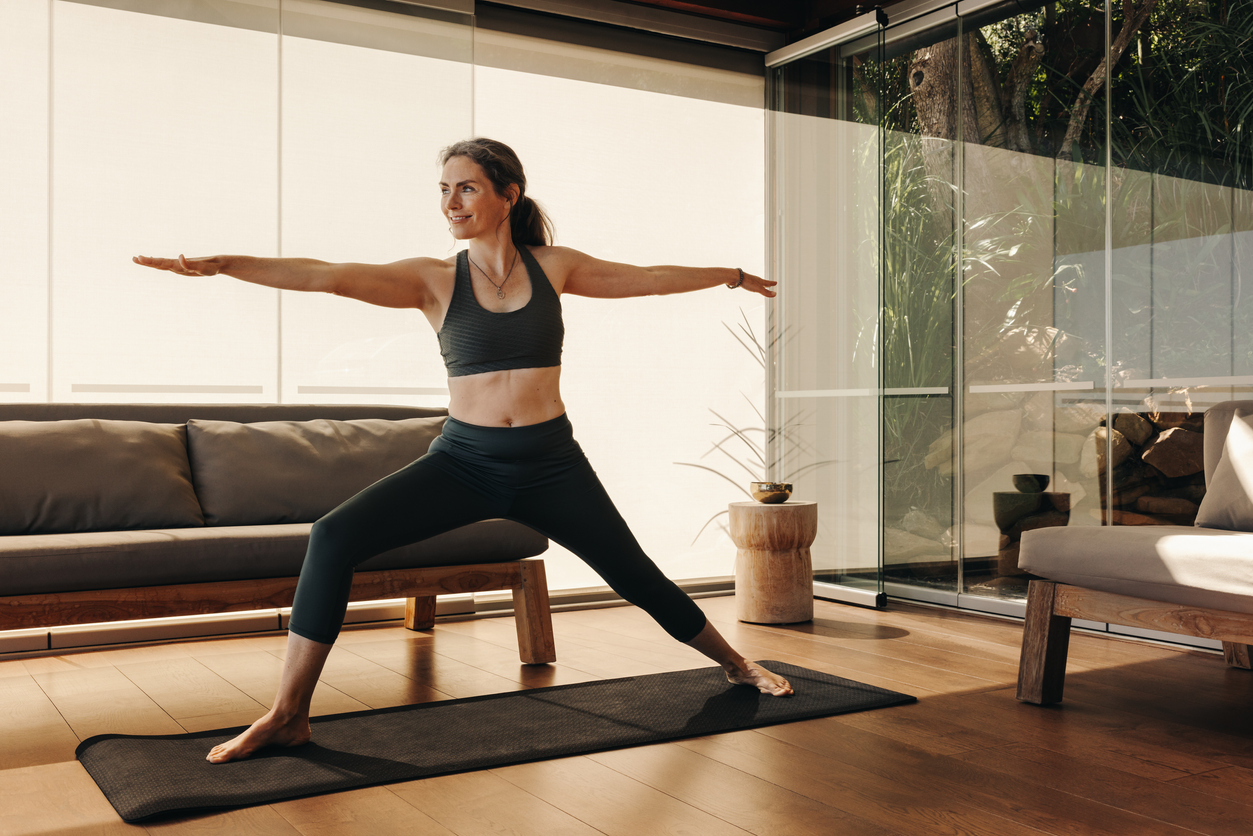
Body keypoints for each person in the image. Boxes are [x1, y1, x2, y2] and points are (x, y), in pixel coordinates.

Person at [134, 137, 790, 765]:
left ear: (508, 194)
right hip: (464, 462)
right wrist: (224, 265)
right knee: (333, 536)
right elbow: (326, 276)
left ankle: (736, 663)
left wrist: (729, 276)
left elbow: (645, 279)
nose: (450, 202)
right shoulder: (430, 279)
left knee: (632, 572)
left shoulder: (554, 266)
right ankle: (287, 714)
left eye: (466, 188)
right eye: (443, 190)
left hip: (550, 463)